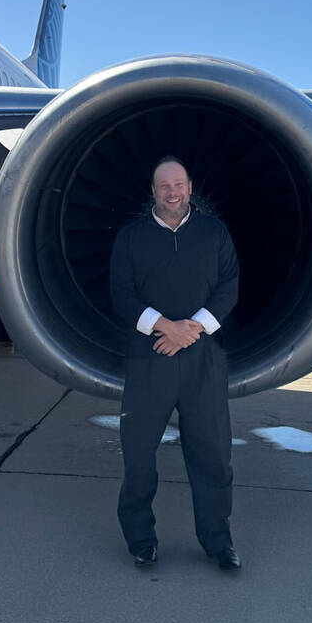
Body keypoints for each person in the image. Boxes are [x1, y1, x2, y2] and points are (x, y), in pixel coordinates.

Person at [109, 156, 241, 570]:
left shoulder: (214, 233)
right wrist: (165, 327)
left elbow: (228, 287)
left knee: (213, 455)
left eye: (178, 184)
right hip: (150, 357)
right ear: (153, 192)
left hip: (202, 358)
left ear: (189, 187)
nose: (172, 192)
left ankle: (218, 541)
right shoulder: (131, 238)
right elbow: (122, 295)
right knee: (138, 455)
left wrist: (191, 331)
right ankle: (140, 539)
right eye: (164, 186)